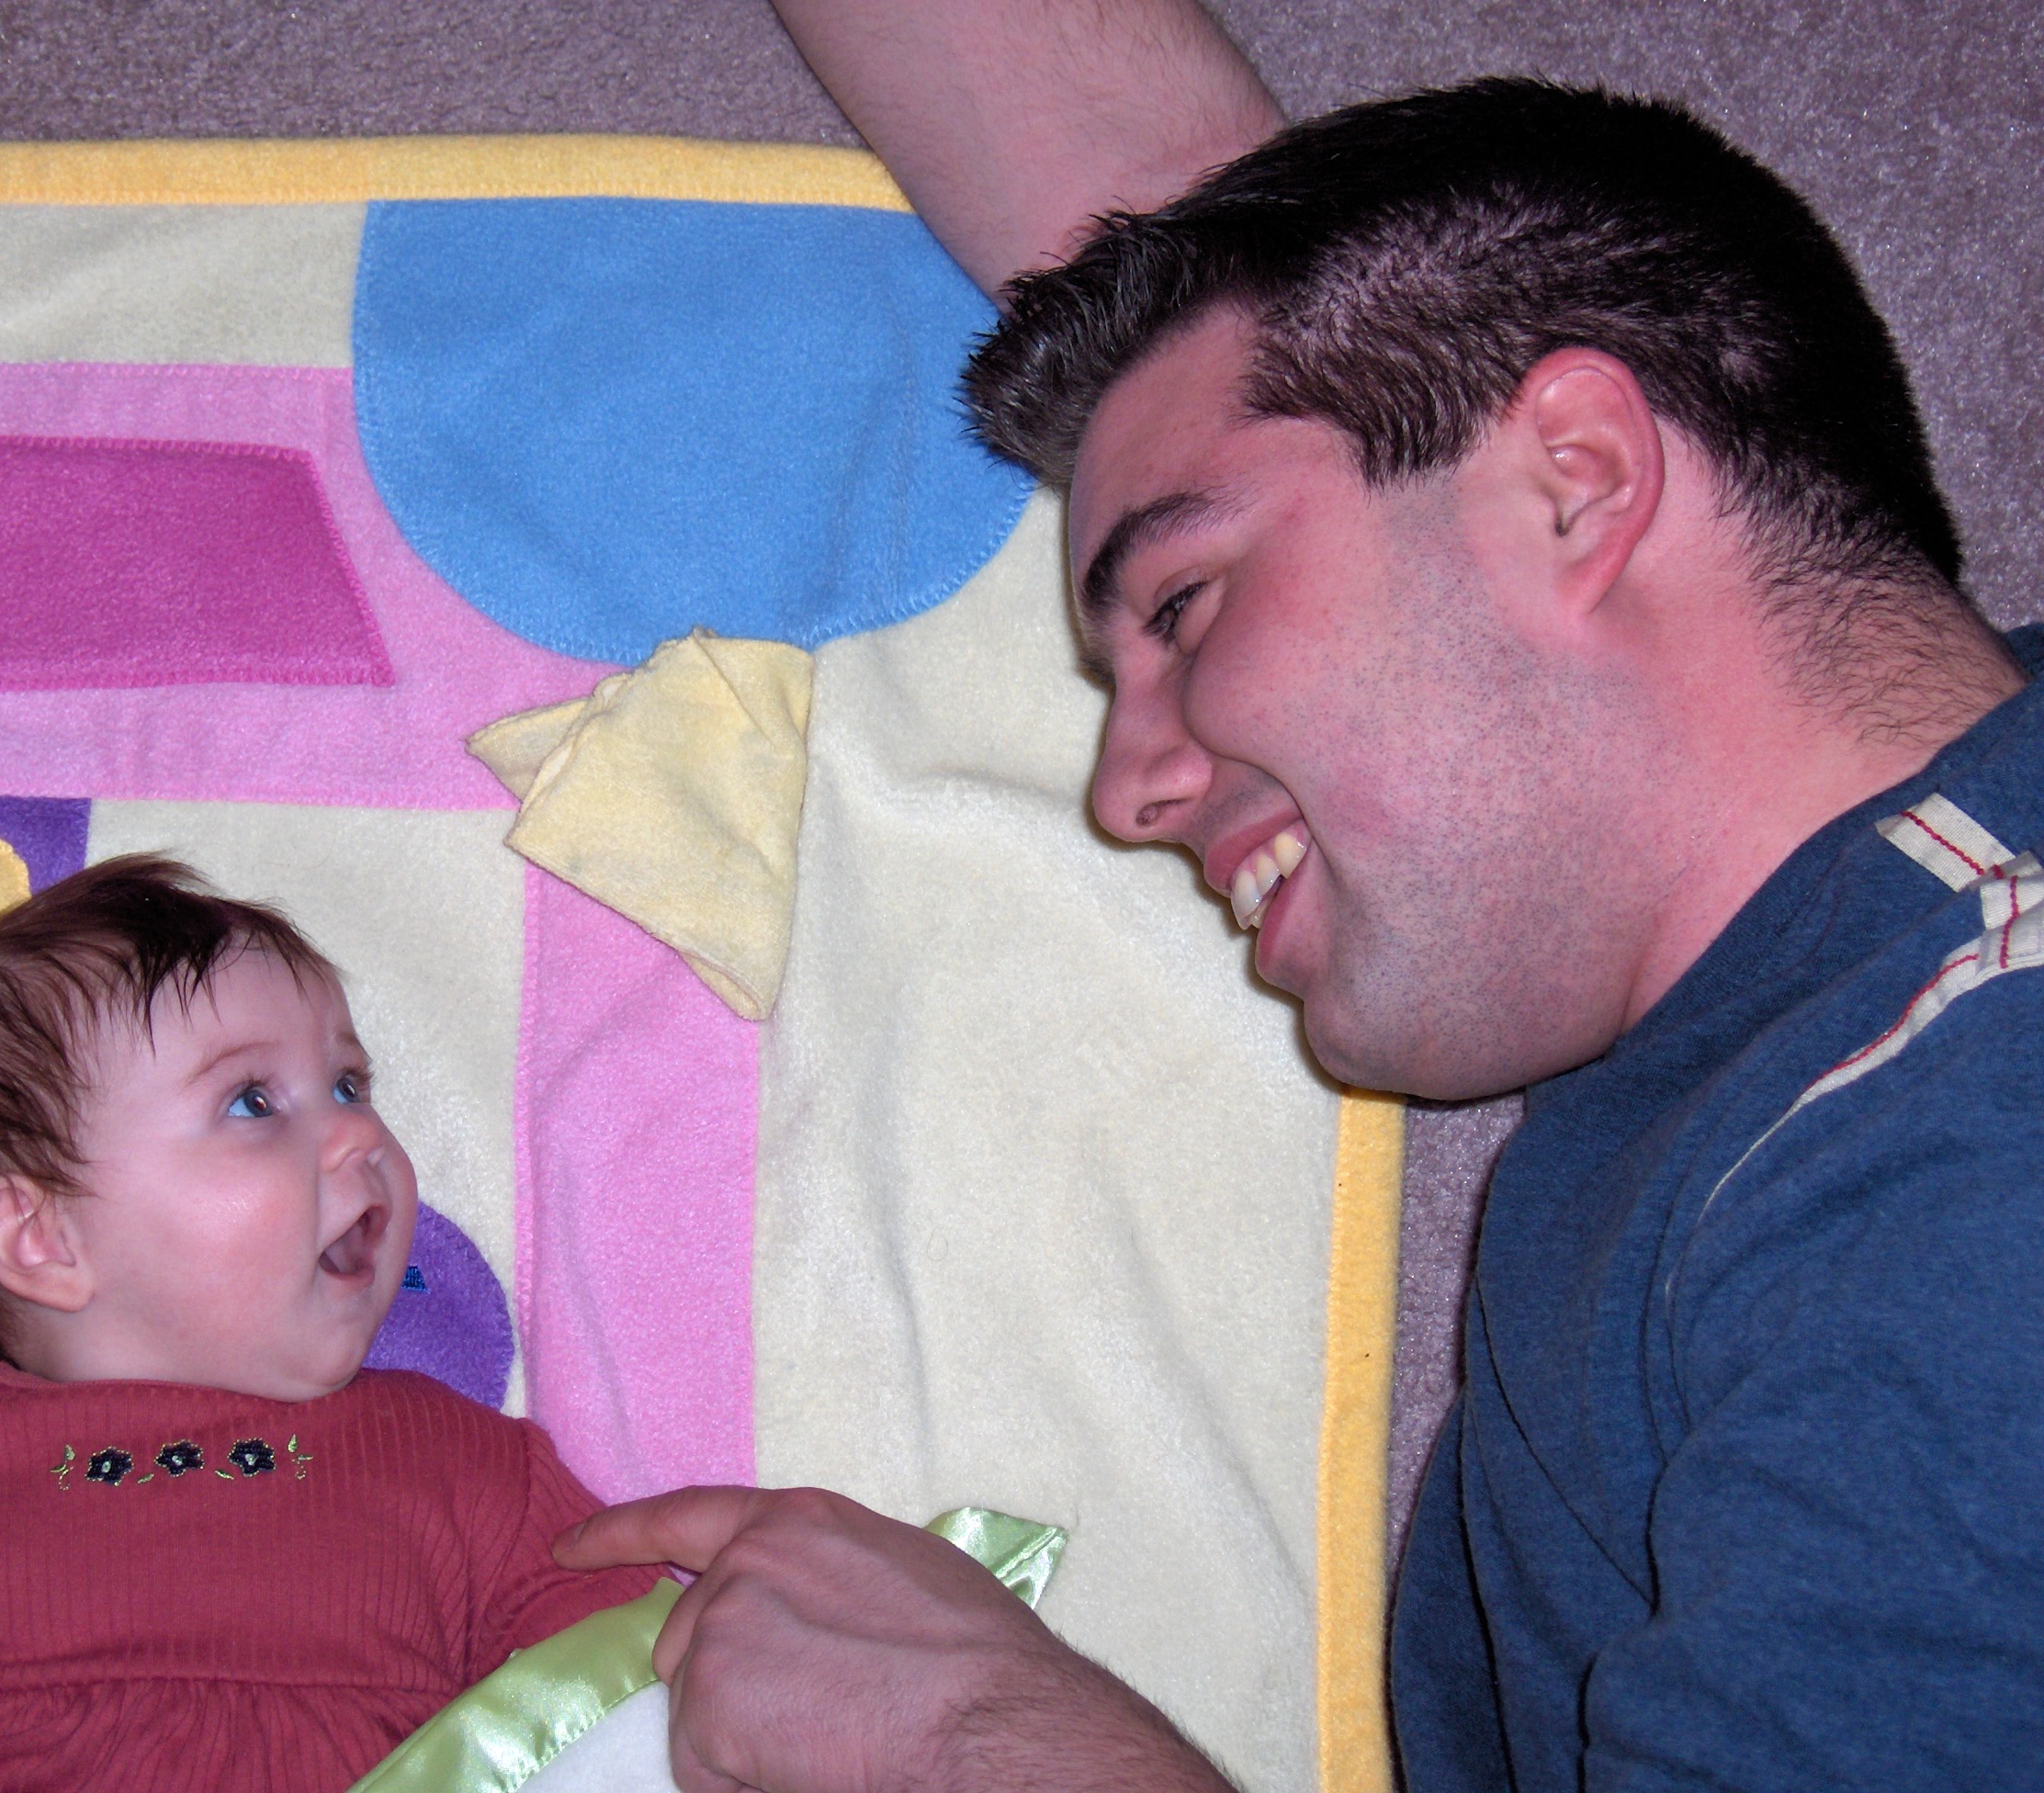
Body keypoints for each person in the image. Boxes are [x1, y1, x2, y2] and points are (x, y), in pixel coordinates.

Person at [554, 7, 2044, 1791]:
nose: (1124, 790)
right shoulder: (1906, 1013)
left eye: (1181, 605)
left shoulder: (1976, 1151)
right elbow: (1233, 255)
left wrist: (978, 1736)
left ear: (1575, 481)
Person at [0, 856, 655, 1793]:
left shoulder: (466, 1468)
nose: (360, 1132)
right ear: (42, 1237)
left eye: (351, 1085)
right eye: (253, 1101)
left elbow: (634, 1683)